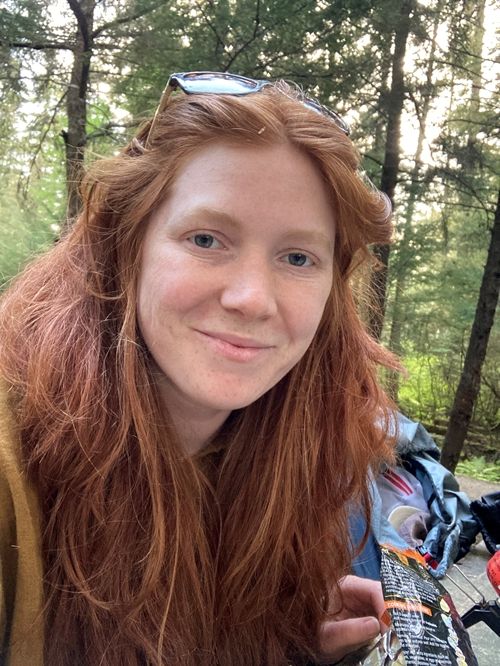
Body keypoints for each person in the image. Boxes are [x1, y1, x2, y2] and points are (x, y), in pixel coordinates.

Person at [0, 72, 397, 665]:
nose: (252, 299)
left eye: (297, 257)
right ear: (124, 244)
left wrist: (285, 644)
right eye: (206, 239)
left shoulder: (294, 449)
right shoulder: (12, 462)